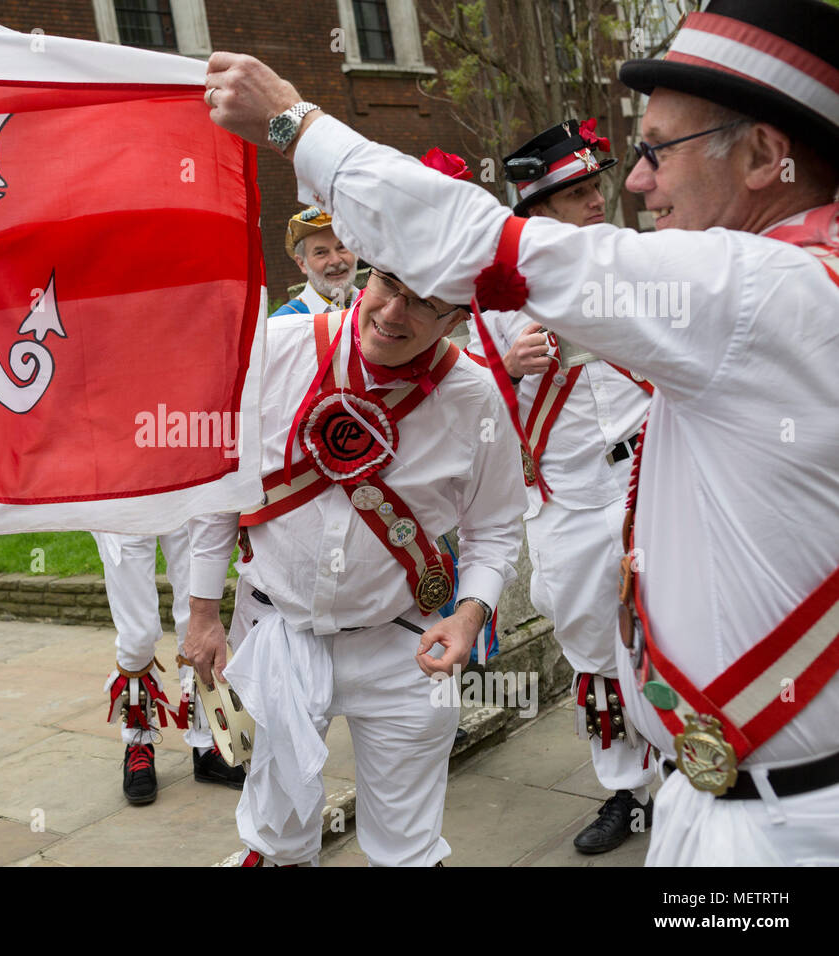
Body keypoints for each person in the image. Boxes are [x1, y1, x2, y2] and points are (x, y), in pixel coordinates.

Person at [202, 0, 839, 866]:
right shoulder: (794, 286)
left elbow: (479, 245)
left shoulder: (766, 289)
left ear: (767, 155)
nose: (638, 183)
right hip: (752, 793)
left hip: (778, 828)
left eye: (656, 150)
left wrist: (292, 120)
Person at [182, 152, 527, 866]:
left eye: (426, 301)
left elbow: (493, 530)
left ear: (461, 315)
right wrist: (202, 613)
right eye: (389, 282)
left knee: (407, 847)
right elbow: (223, 488)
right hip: (279, 632)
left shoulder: (474, 399)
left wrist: (468, 617)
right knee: (276, 836)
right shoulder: (277, 348)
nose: (394, 312)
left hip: (407, 646)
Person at [466, 119, 657, 854]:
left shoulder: (638, 264)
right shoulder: (494, 297)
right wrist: (507, 370)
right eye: (576, 193)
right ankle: (627, 792)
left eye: (593, 187)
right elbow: (464, 410)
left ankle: (697, 765)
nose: (594, 202)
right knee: (590, 647)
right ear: (537, 211)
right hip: (570, 498)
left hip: (652, 478)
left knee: (682, 631)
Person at [94, 529, 244, 805]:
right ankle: (138, 740)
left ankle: (207, 744)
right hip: (123, 496)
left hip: (181, 489)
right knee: (136, 637)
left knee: (197, 623)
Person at [270, 207, 359, 316]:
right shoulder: (284, 323)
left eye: (341, 247)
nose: (335, 261)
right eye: (321, 253)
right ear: (302, 263)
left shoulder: (377, 306)